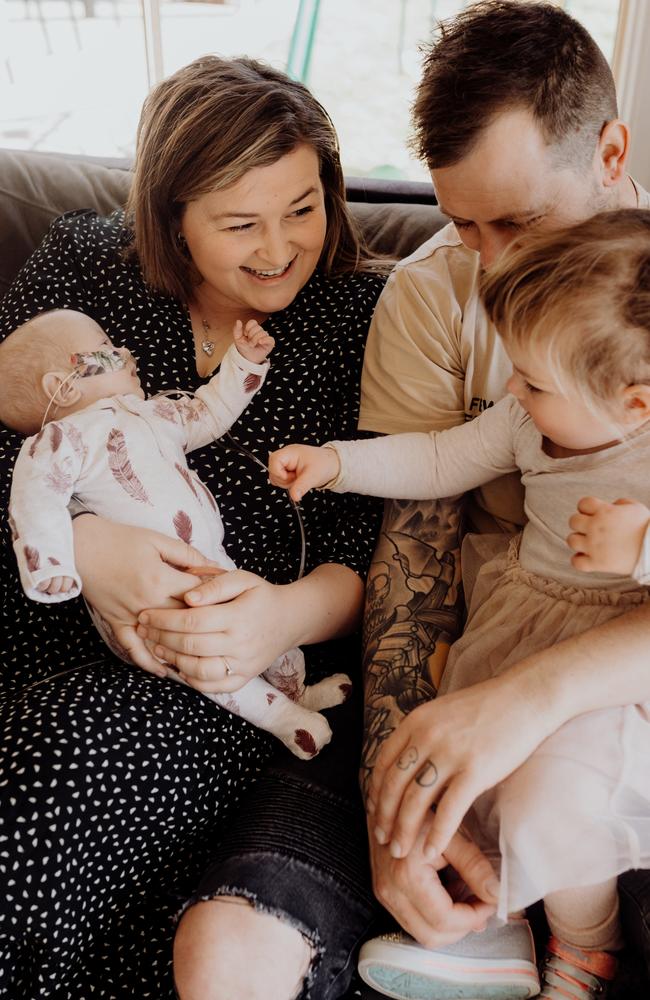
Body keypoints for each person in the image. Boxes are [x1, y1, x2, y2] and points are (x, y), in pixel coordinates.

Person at [0, 56, 389, 999]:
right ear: (170, 215)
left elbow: (380, 554)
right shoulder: (83, 269)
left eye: (304, 207)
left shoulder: (363, 315)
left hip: (214, 668)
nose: (282, 247)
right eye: (240, 223)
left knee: (59, 761)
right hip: (31, 604)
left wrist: (278, 618)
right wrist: (88, 552)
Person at [339, 1, 650, 997]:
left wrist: (538, 695)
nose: (490, 263)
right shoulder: (432, 297)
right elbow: (412, 555)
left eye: (516, 220)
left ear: (610, 150)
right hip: (508, 648)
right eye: (461, 222)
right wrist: (397, 803)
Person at [270, 208, 650, 998]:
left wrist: (639, 549)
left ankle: (587, 948)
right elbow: (441, 456)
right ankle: (489, 928)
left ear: (634, 404)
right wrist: (339, 463)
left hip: (613, 676)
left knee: (553, 797)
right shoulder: (524, 417)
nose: (513, 390)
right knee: (457, 776)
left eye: (536, 382)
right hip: (518, 628)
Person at [1, 309, 352, 759]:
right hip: (148, 595)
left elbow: (209, 411)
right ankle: (283, 720)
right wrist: (52, 566)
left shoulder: (154, 413)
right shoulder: (61, 440)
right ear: (63, 386)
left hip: (210, 563)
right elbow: (34, 501)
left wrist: (243, 362)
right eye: (108, 350)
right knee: (206, 658)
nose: (125, 352)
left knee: (266, 630)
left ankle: (297, 692)